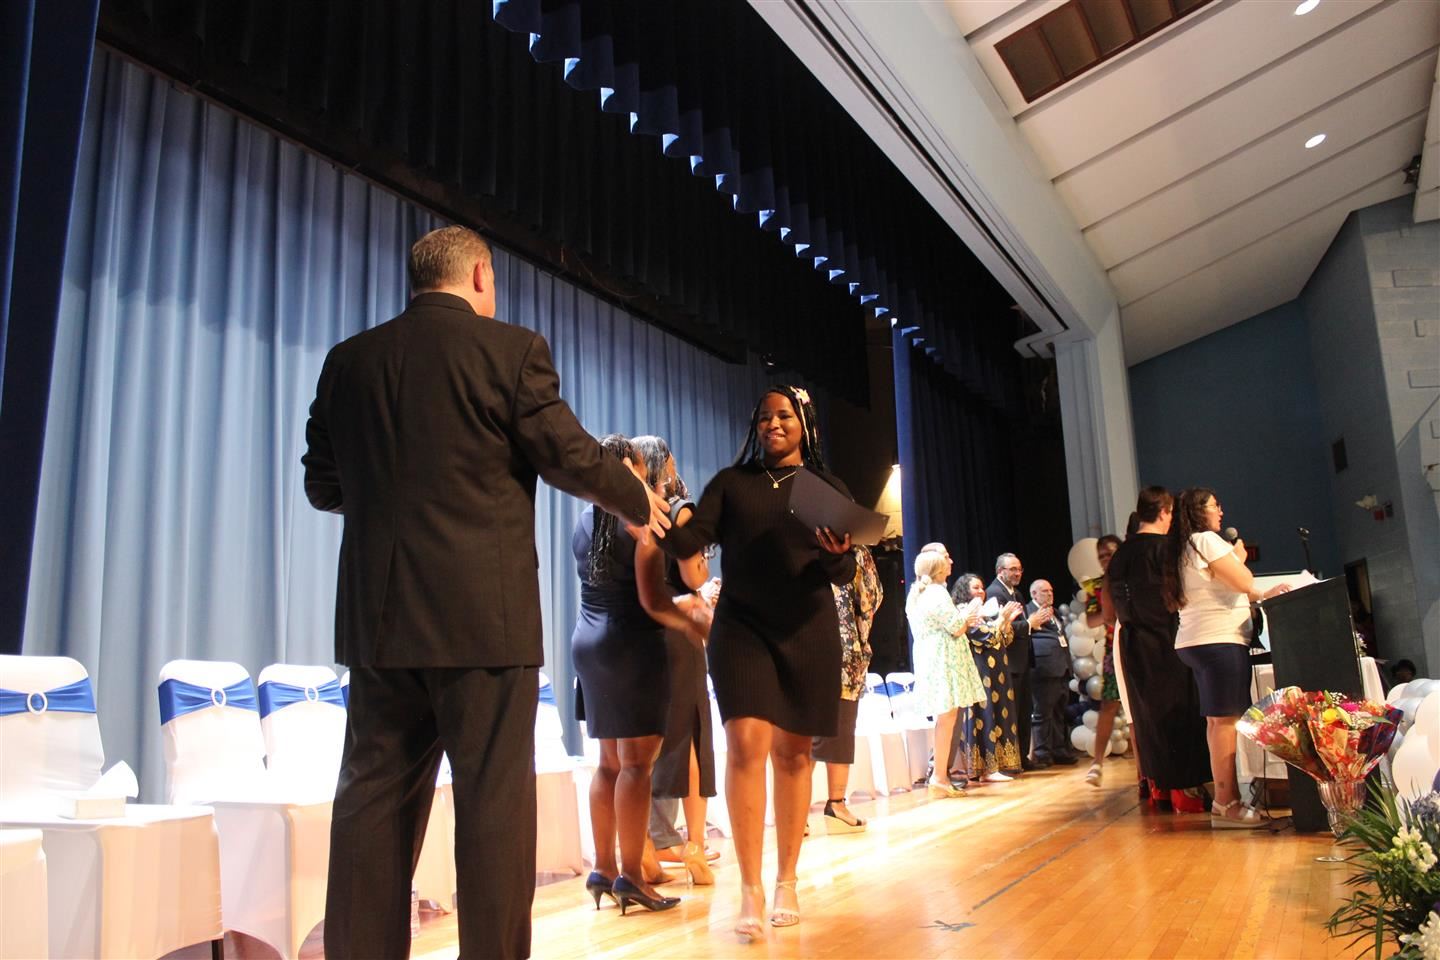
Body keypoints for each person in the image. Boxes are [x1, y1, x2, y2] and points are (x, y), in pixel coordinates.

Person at [303, 225, 670, 959]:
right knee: (492, 812)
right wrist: (636, 500)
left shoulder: (349, 361)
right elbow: (568, 456)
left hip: (379, 628)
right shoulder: (511, 351)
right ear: (478, 275)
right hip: (484, 624)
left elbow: (322, 486)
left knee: (371, 806)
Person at [659, 384, 856, 941]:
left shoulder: (825, 487)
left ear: (804, 423)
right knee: (747, 742)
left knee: (794, 753)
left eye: (784, 415)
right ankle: (750, 886)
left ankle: (786, 878)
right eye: (765, 416)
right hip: (742, 627)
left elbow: (841, 575)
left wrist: (839, 556)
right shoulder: (731, 483)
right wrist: (668, 513)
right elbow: (688, 544)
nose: (773, 423)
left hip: (808, 627)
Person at [572, 434, 707, 914]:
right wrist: (692, 621)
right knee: (635, 767)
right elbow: (652, 601)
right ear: (630, 466)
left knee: (607, 765)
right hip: (629, 645)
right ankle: (633, 877)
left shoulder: (585, 520)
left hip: (587, 644)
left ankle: (603, 869)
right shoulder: (641, 518)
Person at [1163, 487, 1291, 829]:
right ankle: (1227, 802)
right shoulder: (1206, 540)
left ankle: (1225, 799)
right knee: (1225, 722)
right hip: (1218, 639)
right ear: (1197, 512)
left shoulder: (1183, 547)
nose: (1221, 511)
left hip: (1196, 640)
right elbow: (1244, 582)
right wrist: (1238, 559)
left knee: (1216, 723)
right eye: (1213, 505)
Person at [630, 435, 720, 885]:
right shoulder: (678, 508)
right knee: (692, 738)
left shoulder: (625, 516)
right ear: (663, 466)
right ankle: (697, 850)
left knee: (644, 747)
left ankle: (647, 847)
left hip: (641, 637)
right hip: (680, 630)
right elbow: (695, 574)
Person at [1108, 487, 1211, 814]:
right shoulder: (1164, 549)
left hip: (1132, 642)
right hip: (1166, 640)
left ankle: (1160, 789)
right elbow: (1180, 596)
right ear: (1166, 511)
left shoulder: (1120, 554)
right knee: (1177, 712)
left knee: (1146, 717)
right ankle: (1186, 792)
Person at [812, 543, 884, 832]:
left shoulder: (854, 551)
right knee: (804, 736)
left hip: (842, 654)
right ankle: (800, 807)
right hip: (814, 651)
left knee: (840, 730)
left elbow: (871, 595)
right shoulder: (802, 544)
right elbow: (871, 598)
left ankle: (836, 803)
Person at [907, 545, 985, 797]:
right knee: (947, 718)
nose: (950, 563)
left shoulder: (916, 594)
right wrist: (969, 612)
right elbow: (955, 627)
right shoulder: (936, 593)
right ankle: (939, 777)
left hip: (929, 655)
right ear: (938, 568)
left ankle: (940, 776)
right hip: (943, 658)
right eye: (946, 561)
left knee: (946, 719)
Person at [952, 572, 1025, 780]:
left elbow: (1004, 639)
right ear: (965, 590)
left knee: (1001, 712)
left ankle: (1001, 764)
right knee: (985, 715)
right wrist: (1001, 620)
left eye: (982, 587)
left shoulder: (985, 611)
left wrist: (1006, 621)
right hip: (980, 670)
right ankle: (987, 768)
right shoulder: (965, 612)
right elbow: (985, 637)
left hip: (997, 670)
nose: (981, 591)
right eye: (976, 587)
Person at [990, 554, 1050, 771]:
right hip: (1008, 661)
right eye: (1012, 569)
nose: (1017, 573)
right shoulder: (995, 594)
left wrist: (1031, 624)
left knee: (1024, 711)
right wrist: (1029, 624)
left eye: (1019, 569)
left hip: (1022, 660)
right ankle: (1009, 760)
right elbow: (998, 628)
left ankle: (1022, 756)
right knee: (1011, 712)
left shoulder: (1017, 593)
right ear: (1000, 571)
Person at [1082, 535, 1123, 786]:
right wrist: (1108, 615)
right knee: (1109, 705)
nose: (1106, 559)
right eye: (1101, 556)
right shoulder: (1095, 586)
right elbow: (1091, 620)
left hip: (1136, 645)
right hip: (1112, 648)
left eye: (1110, 553)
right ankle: (1097, 762)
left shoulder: (1132, 577)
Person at [1026, 580, 1076, 768]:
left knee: (1059, 711)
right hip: (1043, 668)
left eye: (1051, 590)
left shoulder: (1054, 612)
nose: (1049, 594)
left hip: (1061, 667)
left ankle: (1059, 749)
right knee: (1043, 712)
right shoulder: (1029, 611)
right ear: (1034, 594)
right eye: (1044, 591)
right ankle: (1042, 752)